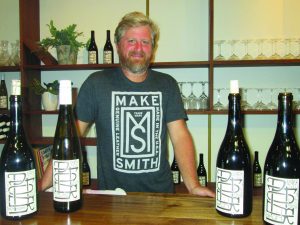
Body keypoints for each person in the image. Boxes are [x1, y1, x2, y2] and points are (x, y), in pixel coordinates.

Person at [41, 11, 215, 197]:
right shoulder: (95, 84)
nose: (138, 48)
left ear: (153, 48)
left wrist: (194, 185)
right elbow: (69, 139)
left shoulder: (167, 84)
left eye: (145, 42)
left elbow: (180, 137)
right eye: (131, 41)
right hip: (113, 198)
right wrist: (42, 187)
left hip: (161, 199)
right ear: (117, 45)